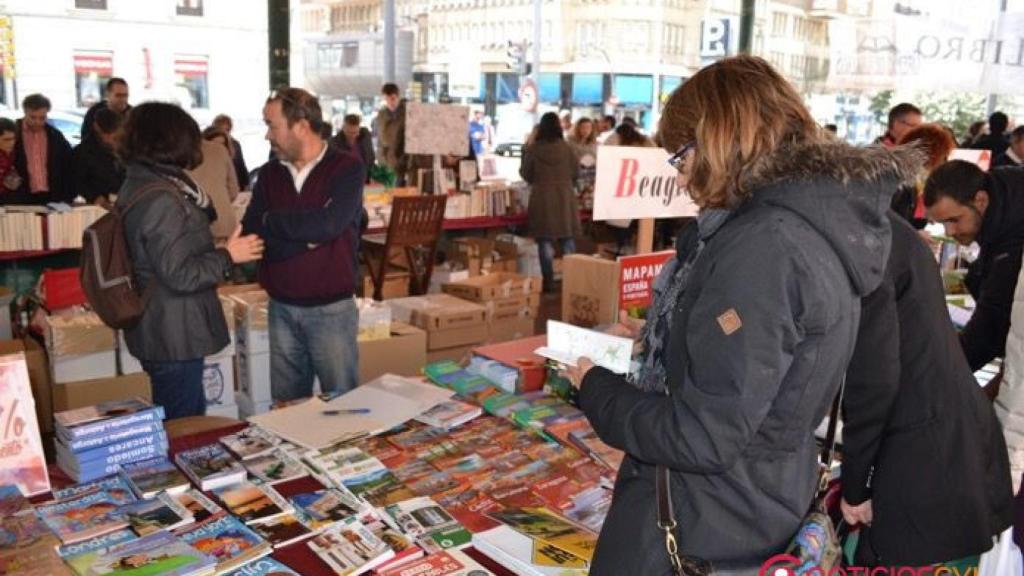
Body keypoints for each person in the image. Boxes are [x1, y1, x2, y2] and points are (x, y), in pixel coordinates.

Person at [562, 55, 895, 574]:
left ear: (716, 139)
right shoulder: (815, 227)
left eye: (682, 155)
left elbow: (703, 435)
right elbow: (755, 372)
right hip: (756, 503)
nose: (681, 175)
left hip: (700, 521)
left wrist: (595, 387)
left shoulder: (763, 246)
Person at [841, 210, 1013, 568]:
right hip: (953, 447)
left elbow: (873, 383)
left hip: (923, 465)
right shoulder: (891, 229)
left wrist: (856, 486)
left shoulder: (867, 243)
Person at [117, 102, 263, 419]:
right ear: (171, 140)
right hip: (172, 330)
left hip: (166, 325)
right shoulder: (162, 197)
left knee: (180, 414)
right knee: (184, 423)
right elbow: (180, 273)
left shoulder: (144, 182)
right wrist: (228, 255)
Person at [241, 87, 365, 402]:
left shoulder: (347, 168)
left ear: (301, 126)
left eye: (272, 125)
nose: (267, 135)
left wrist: (274, 223)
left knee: (343, 408)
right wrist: (304, 240)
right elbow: (253, 231)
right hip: (280, 308)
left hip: (332, 312)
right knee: (287, 409)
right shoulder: (269, 174)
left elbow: (330, 224)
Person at [925, 160, 1024, 372]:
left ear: (980, 200)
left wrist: (941, 374)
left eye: (954, 220)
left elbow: (992, 325)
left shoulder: (1015, 224)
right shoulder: (1002, 197)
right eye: (942, 224)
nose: (949, 232)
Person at [520, 112, 579, 294]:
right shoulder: (568, 148)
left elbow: (526, 174)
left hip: (542, 198)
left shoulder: (534, 149)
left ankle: (549, 283)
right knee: (568, 239)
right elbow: (575, 172)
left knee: (545, 241)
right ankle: (572, 280)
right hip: (564, 197)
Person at [890, 123, 956, 229]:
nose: (944, 162)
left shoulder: (916, 179)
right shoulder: (903, 180)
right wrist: (917, 234)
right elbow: (895, 223)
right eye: (944, 156)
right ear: (933, 153)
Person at [12, 93, 73, 205]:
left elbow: (67, 165)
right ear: (25, 112)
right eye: (33, 117)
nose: (38, 122)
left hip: (51, 196)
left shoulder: (54, 135)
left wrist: (66, 196)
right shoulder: (14, 133)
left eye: (42, 118)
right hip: (20, 196)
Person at [190, 127, 240, 243]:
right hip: (224, 222)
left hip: (195, 225)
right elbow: (233, 190)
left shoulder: (178, 154)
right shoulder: (221, 150)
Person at [72, 107, 125, 206]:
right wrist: (94, 196)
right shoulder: (83, 151)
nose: (109, 139)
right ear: (97, 127)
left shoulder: (126, 147)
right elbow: (78, 180)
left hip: (124, 200)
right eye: (106, 134)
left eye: (114, 135)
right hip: (99, 204)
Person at [373, 83, 407, 185]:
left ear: (398, 97)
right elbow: (379, 141)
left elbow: (409, 142)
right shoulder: (381, 115)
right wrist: (381, 159)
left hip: (401, 163)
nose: (390, 102)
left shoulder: (407, 114)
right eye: (386, 99)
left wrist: (402, 162)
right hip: (385, 163)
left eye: (392, 99)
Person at [81, 77, 130, 142]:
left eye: (125, 95)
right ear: (108, 94)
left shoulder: (132, 114)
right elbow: (85, 139)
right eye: (118, 95)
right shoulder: (93, 113)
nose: (123, 99)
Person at [330, 114, 374, 182]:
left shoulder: (365, 138)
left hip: (364, 181)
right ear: (343, 128)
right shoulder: (334, 144)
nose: (353, 136)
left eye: (355, 132)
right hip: (344, 183)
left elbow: (371, 158)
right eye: (349, 133)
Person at [212, 114, 250, 190]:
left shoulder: (235, 144)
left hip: (236, 186)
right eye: (222, 129)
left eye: (227, 129)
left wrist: (246, 184)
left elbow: (241, 166)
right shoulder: (211, 145)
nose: (225, 132)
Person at [0, 118, 22, 195]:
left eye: (14, 139)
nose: (12, 143)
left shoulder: (13, 151)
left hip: (8, 197)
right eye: (7, 139)